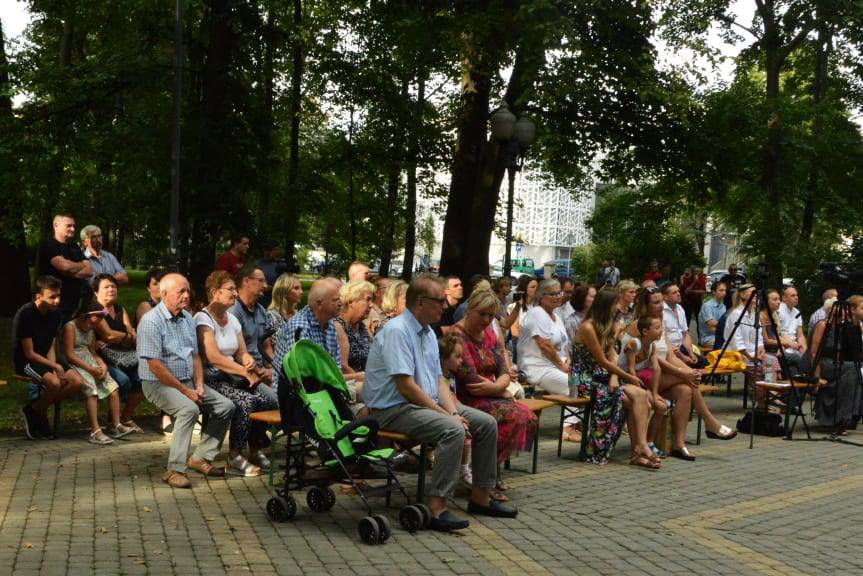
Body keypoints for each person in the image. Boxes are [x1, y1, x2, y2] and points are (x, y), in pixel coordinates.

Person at [363, 275, 518, 532]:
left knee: (486, 423)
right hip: (392, 408)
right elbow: (406, 387)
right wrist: (447, 416)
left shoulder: (427, 332)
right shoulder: (397, 331)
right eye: (439, 300)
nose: (445, 306)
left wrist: (453, 411)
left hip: (419, 404)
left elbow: (438, 380)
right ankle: (437, 507)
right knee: (452, 430)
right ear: (420, 302)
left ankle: (481, 497)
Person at [137, 273, 236, 489]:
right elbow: (155, 366)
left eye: (188, 290)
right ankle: (174, 470)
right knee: (189, 410)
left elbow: (195, 356)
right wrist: (185, 391)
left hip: (186, 382)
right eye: (180, 291)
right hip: (157, 383)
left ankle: (201, 457)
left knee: (225, 406)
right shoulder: (151, 321)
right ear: (164, 294)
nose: (186, 295)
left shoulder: (188, 319)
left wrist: (198, 385)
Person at [630, 287, 736, 461]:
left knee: (686, 390)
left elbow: (670, 355)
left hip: (663, 374)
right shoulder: (639, 325)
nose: (660, 306)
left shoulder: (659, 323)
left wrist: (688, 370)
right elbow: (653, 359)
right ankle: (710, 422)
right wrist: (683, 373)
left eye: (660, 302)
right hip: (645, 375)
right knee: (688, 380)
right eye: (655, 302)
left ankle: (679, 444)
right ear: (645, 305)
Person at [451, 289, 538, 495]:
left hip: (491, 392)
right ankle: (484, 478)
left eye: (491, 316)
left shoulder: (489, 333)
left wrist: (499, 387)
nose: (487, 320)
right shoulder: (457, 336)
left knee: (529, 418)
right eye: (482, 314)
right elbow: (470, 379)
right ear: (469, 310)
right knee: (514, 417)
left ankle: (489, 470)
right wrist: (501, 390)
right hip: (465, 398)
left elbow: (503, 368)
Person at [195, 271, 278, 476]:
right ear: (215, 292)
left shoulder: (232, 319)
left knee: (265, 399)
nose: (235, 293)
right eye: (230, 289)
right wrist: (243, 371)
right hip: (211, 378)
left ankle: (255, 448)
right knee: (246, 402)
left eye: (235, 288)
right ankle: (235, 454)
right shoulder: (203, 319)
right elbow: (213, 357)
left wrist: (247, 360)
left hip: (233, 376)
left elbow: (241, 352)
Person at [572, 289, 657, 468]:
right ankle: (639, 450)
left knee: (641, 396)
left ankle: (640, 448)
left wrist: (615, 377)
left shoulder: (608, 325)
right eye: (614, 305)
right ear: (605, 306)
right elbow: (601, 360)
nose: (617, 309)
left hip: (604, 375)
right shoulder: (587, 327)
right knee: (634, 400)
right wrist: (627, 376)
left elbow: (612, 357)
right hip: (584, 379)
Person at [14, 276, 83, 440]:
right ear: (38, 296)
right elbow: (29, 353)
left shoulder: (55, 313)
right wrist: (54, 368)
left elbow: (51, 345)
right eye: (52, 297)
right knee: (54, 383)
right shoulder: (25, 314)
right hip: (27, 361)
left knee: (77, 382)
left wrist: (53, 366)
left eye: (58, 296)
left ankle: (34, 409)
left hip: (47, 358)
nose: (57, 301)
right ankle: (41, 414)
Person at [61, 295, 133, 444]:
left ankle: (116, 424)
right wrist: (90, 369)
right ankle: (95, 431)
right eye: (98, 317)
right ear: (85, 315)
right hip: (77, 364)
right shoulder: (70, 327)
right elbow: (69, 354)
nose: (100, 321)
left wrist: (102, 365)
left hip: (91, 361)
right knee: (91, 390)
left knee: (113, 387)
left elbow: (92, 351)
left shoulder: (91, 327)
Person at [91, 274, 144, 432]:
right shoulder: (94, 310)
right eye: (106, 287)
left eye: (113, 286)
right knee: (123, 380)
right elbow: (108, 335)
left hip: (126, 355)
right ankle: (112, 421)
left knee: (143, 378)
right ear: (96, 291)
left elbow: (131, 335)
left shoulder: (120, 309)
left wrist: (124, 336)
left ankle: (125, 417)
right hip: (101, 358)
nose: (111, 289)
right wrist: (126, 335)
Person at [272, 278, 343, 393]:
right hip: (295, 394)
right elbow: (305, 374)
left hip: (323, 386)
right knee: (362, 391)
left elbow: (336, 366)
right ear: (319, 303)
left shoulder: (329, 323)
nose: (341, 303)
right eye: (335, 300)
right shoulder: (300, 327)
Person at [809, 295, 863, 431]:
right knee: (854, 369)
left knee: (856, 370)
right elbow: (814, 353)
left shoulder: (841, 327)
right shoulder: (823, 325)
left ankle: (848, 416)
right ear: (832, 310)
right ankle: (843, 417)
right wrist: (817, 377)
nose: (844, 312)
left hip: (835, 363)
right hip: (821, 363)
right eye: (841, 309)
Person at [619, 315, 667, 458]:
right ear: (645, 331)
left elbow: (656, 368)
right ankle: (639, 444)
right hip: (624, 379)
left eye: (661, 327)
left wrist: (655, 393)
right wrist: (643, 393)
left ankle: (649, 441)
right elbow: (630, 370)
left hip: (636, 382)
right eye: (657, 328)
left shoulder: (652, 345)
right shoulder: (634, 344)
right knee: (647, 405)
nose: (661, 331)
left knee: (661, 406)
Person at [38, 214, 93, 320]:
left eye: (74, 226)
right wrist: (80, 265)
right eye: (69, 226)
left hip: (76, 302)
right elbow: (64, 267)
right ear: (56, 225)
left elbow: (89, 271)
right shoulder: (49, 245)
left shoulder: (75, 247)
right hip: (55, 303)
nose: (73, 229)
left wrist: (69, 271)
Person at [230, 265, 275, 388]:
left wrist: (272, 369)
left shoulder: (261, 310)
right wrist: (260, 372)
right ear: (246, 281)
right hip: (243, 374)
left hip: (263, 372)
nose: (265, 286)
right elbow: (236, 352)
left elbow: (266, 345)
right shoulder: (233, 311)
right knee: (276, 397)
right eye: (261, 281)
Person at [334, 280, 376, 380]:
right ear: (351, 301)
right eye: (368, 299)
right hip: (352, 382)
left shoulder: (362, 326)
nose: (371, 305)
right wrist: (370, 382)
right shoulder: (338, 326)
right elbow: (344, 367)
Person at [662, 283, 703, 368]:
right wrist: (682, 356)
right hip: (668, 352)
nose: (678, 294)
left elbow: (685, 334)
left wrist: (691, 353)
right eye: (674, 293)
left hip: (681, 348)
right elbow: (663, 339)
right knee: (692, 370)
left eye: (678, 291)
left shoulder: (680, 308)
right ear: (665, 297)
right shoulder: (661, 311)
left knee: (705, 363)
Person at [778, 285, 807, 369]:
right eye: (792, 295)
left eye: (796, 295)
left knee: (807, 358)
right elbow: (777, 333)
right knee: (801, 362)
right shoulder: (778, 310)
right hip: (783, 347)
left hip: (795, 348)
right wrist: (790, 344)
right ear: (784, 298)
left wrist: (805, 351)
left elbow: (800, 335)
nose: (796, 297)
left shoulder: (797, 312)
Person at [255, 241, 285, 308]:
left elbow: (284, 283)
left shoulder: (280, 265)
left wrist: (272, 287)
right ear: (264, 250)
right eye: (267, 250)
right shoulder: (257, 264)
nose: (269, 253)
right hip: (259, 300)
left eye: (272, 250)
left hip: (275, 300)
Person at [698, 281, 726, 348]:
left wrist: (720, 325)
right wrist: (723, 327)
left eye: (725, 290)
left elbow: (722, 324)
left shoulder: (723, 306)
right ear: (713, 292)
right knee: (727, 345)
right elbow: (711, 325)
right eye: (721, 290)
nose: (724, 293)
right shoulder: (707, 306)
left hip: (720, 336)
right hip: (707, 339)